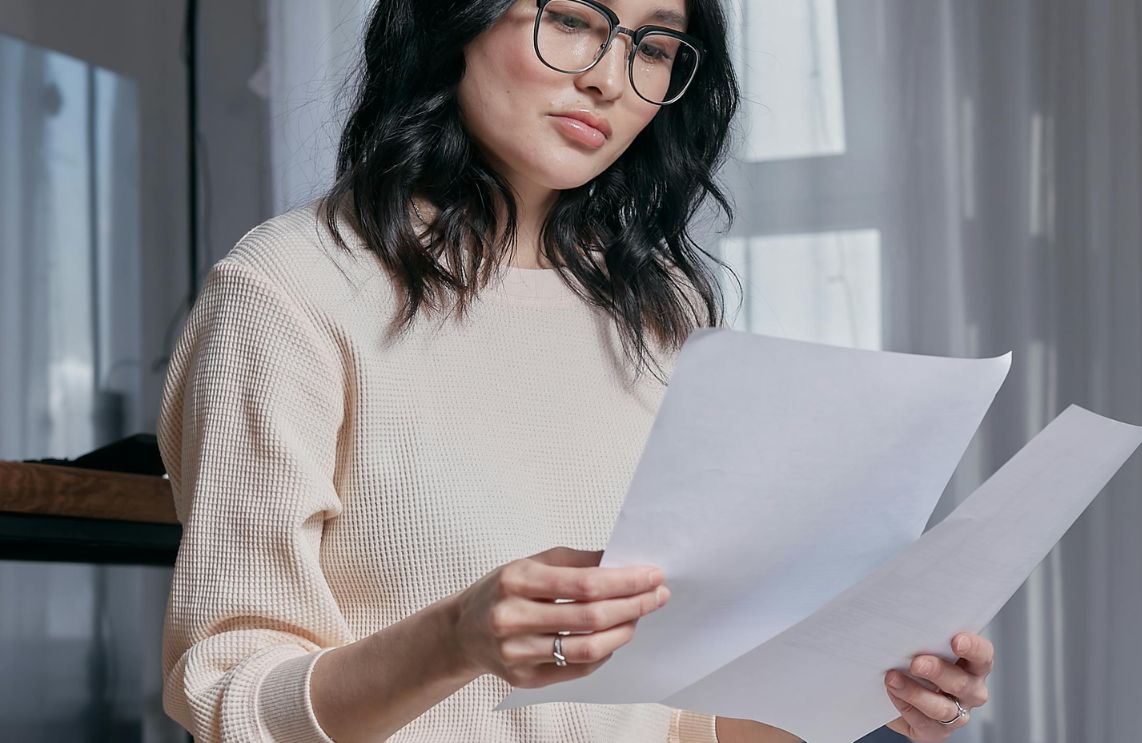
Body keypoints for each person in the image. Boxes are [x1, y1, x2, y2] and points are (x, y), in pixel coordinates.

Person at [157, 0, 995, 741]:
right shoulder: (288, 288)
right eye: (571, 21)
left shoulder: (664, 313)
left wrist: (854, 697)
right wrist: (455, 637)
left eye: (654, 46)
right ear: (456, 17)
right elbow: (228, 702)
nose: (611, 79)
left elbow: (675, 725)